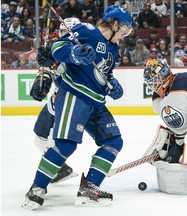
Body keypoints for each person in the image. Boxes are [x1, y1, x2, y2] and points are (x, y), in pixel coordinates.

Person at [22, 5, 132, 210]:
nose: (126, 32)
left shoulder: (114, 48)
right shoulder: (87, 31)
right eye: (125, 26)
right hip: (75, 94)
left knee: (114, 141)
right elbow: (56, 48)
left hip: (97, 102)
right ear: (115, 23)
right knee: (65, 145)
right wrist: (74, 53)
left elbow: (104, 74)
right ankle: (36, 189)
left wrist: (112, 84)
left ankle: (89, 187)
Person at [29, 18, 81, 185]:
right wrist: (41, 81)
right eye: (63, 31)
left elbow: (71, 74)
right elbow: (47, 71)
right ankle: (60, 168)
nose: (64, 35)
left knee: (55, 143)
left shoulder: (83, 51)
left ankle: (48, 172)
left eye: (68, 32)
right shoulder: (55, 49)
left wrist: (53, 64)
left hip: (75, 104)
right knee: (39, 138)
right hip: (56, 101)